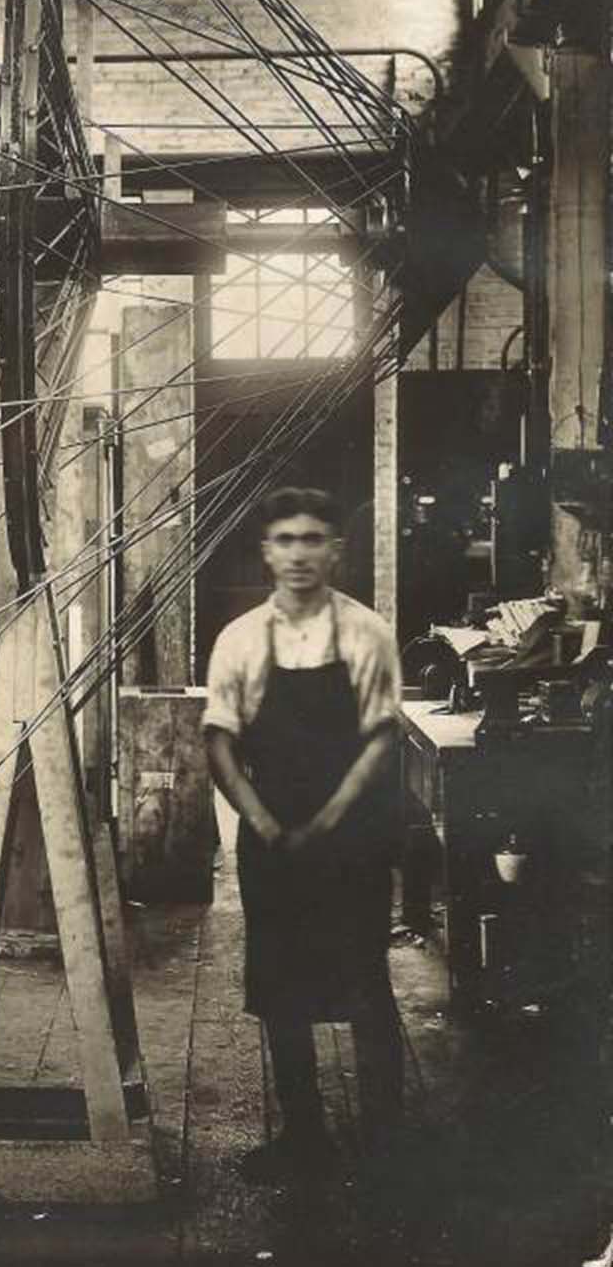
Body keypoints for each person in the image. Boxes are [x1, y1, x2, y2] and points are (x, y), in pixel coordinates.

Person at [202, 485, 404, 1181]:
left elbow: (381, 736)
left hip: (355, 831)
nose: (299, 554)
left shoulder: (367, 632)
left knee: (364, 981)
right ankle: (304, 1135)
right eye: (285, 540)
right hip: (273, 833)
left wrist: (331, 819)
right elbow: (220, 741)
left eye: (313, 538)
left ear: (336, 550)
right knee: (280, 985)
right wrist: (262, 821)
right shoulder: (240, 640)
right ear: (266, 551)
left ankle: (385, 1140)